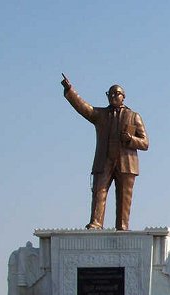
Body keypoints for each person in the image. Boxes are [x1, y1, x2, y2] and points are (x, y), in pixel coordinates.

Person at [61, 74, 149, 231]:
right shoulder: (100, 115)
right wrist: (70, 91)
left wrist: (130, 139)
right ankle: (96, 222)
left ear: (124, 97)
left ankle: (122, 226)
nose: (114, 96)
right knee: (99, 192)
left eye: (117, 93)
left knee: (124, 197)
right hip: (105, 159)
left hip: (126, 162)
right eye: (111, 93)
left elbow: (145, 143)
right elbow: (83, 107)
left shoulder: (134, 116)